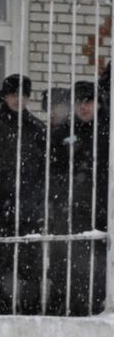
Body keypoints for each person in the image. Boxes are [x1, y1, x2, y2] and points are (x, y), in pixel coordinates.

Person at [0, 74, 48, 315]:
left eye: (22, 94)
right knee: (1, 268)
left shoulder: (37, 128)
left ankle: (30, 315)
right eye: (13, 94)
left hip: (29, 210)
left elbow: (45, 171)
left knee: (30, 269)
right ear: (5, 96)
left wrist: (39, 201)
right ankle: (1, 315)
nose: (18, 99)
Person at [46, 80, 106, 315]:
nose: (84, 107)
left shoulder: (108, 131)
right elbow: (52, 170)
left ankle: (96, 310)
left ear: (98, 103)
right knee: (66, 264)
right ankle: (67, 312)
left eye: (89, 101)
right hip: (69, 210)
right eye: (80, 102)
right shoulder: (64, 131)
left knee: (98, 268)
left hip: (102, 212)